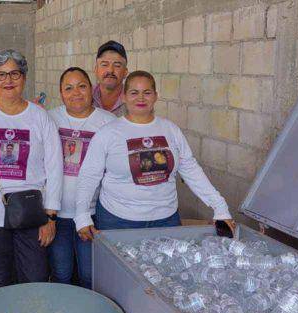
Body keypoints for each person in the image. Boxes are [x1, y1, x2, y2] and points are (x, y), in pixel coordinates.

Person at [75, 70, 236, 240]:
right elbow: (89, 176)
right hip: (118, 220)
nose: (141, 98)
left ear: (155, 96)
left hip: (166, 220)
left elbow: (191, 169)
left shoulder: (171, 130)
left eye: (147, 92)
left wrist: (220, 207)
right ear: (123, 96)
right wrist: (82, 215)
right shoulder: (107, 133)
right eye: (134, 93)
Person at [0, 49, 63, 291]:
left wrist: (50, 217)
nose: (8, 81)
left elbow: (54, 167)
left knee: (36, 280)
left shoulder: (40, 117)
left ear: (24, 78)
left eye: (14, 74)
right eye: (1, 75)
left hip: (31, 214)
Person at [48, 67, 116, 289]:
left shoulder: (108, 121)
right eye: (68, 88)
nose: (75, 92)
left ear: (91, 89)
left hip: (92, 213)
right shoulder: (50, 118)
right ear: (61, 93)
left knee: (90, 275)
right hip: (57, 214)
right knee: (61, 273)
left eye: (81, 86)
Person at [93, 40, 128, 116]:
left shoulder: (134, 99)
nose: (110, 70)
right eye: (104, 65)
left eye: (117, 65)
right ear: (96, 70)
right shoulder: (86, 96)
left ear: (125, 72)